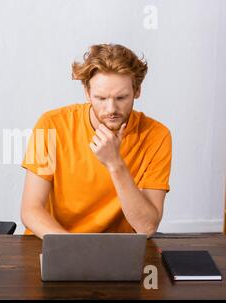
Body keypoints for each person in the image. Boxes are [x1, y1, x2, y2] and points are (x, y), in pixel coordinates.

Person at [21, 44, 172, 239]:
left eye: (121, 97)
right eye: (100, 98)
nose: (111, 109)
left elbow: (147, 227)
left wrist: (115, 163)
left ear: (137, 91)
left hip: (115, 250)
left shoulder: (157, 135)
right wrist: (71, 248)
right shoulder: (50, 124)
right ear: (86, 92)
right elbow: (31, 210)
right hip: (57, 242)